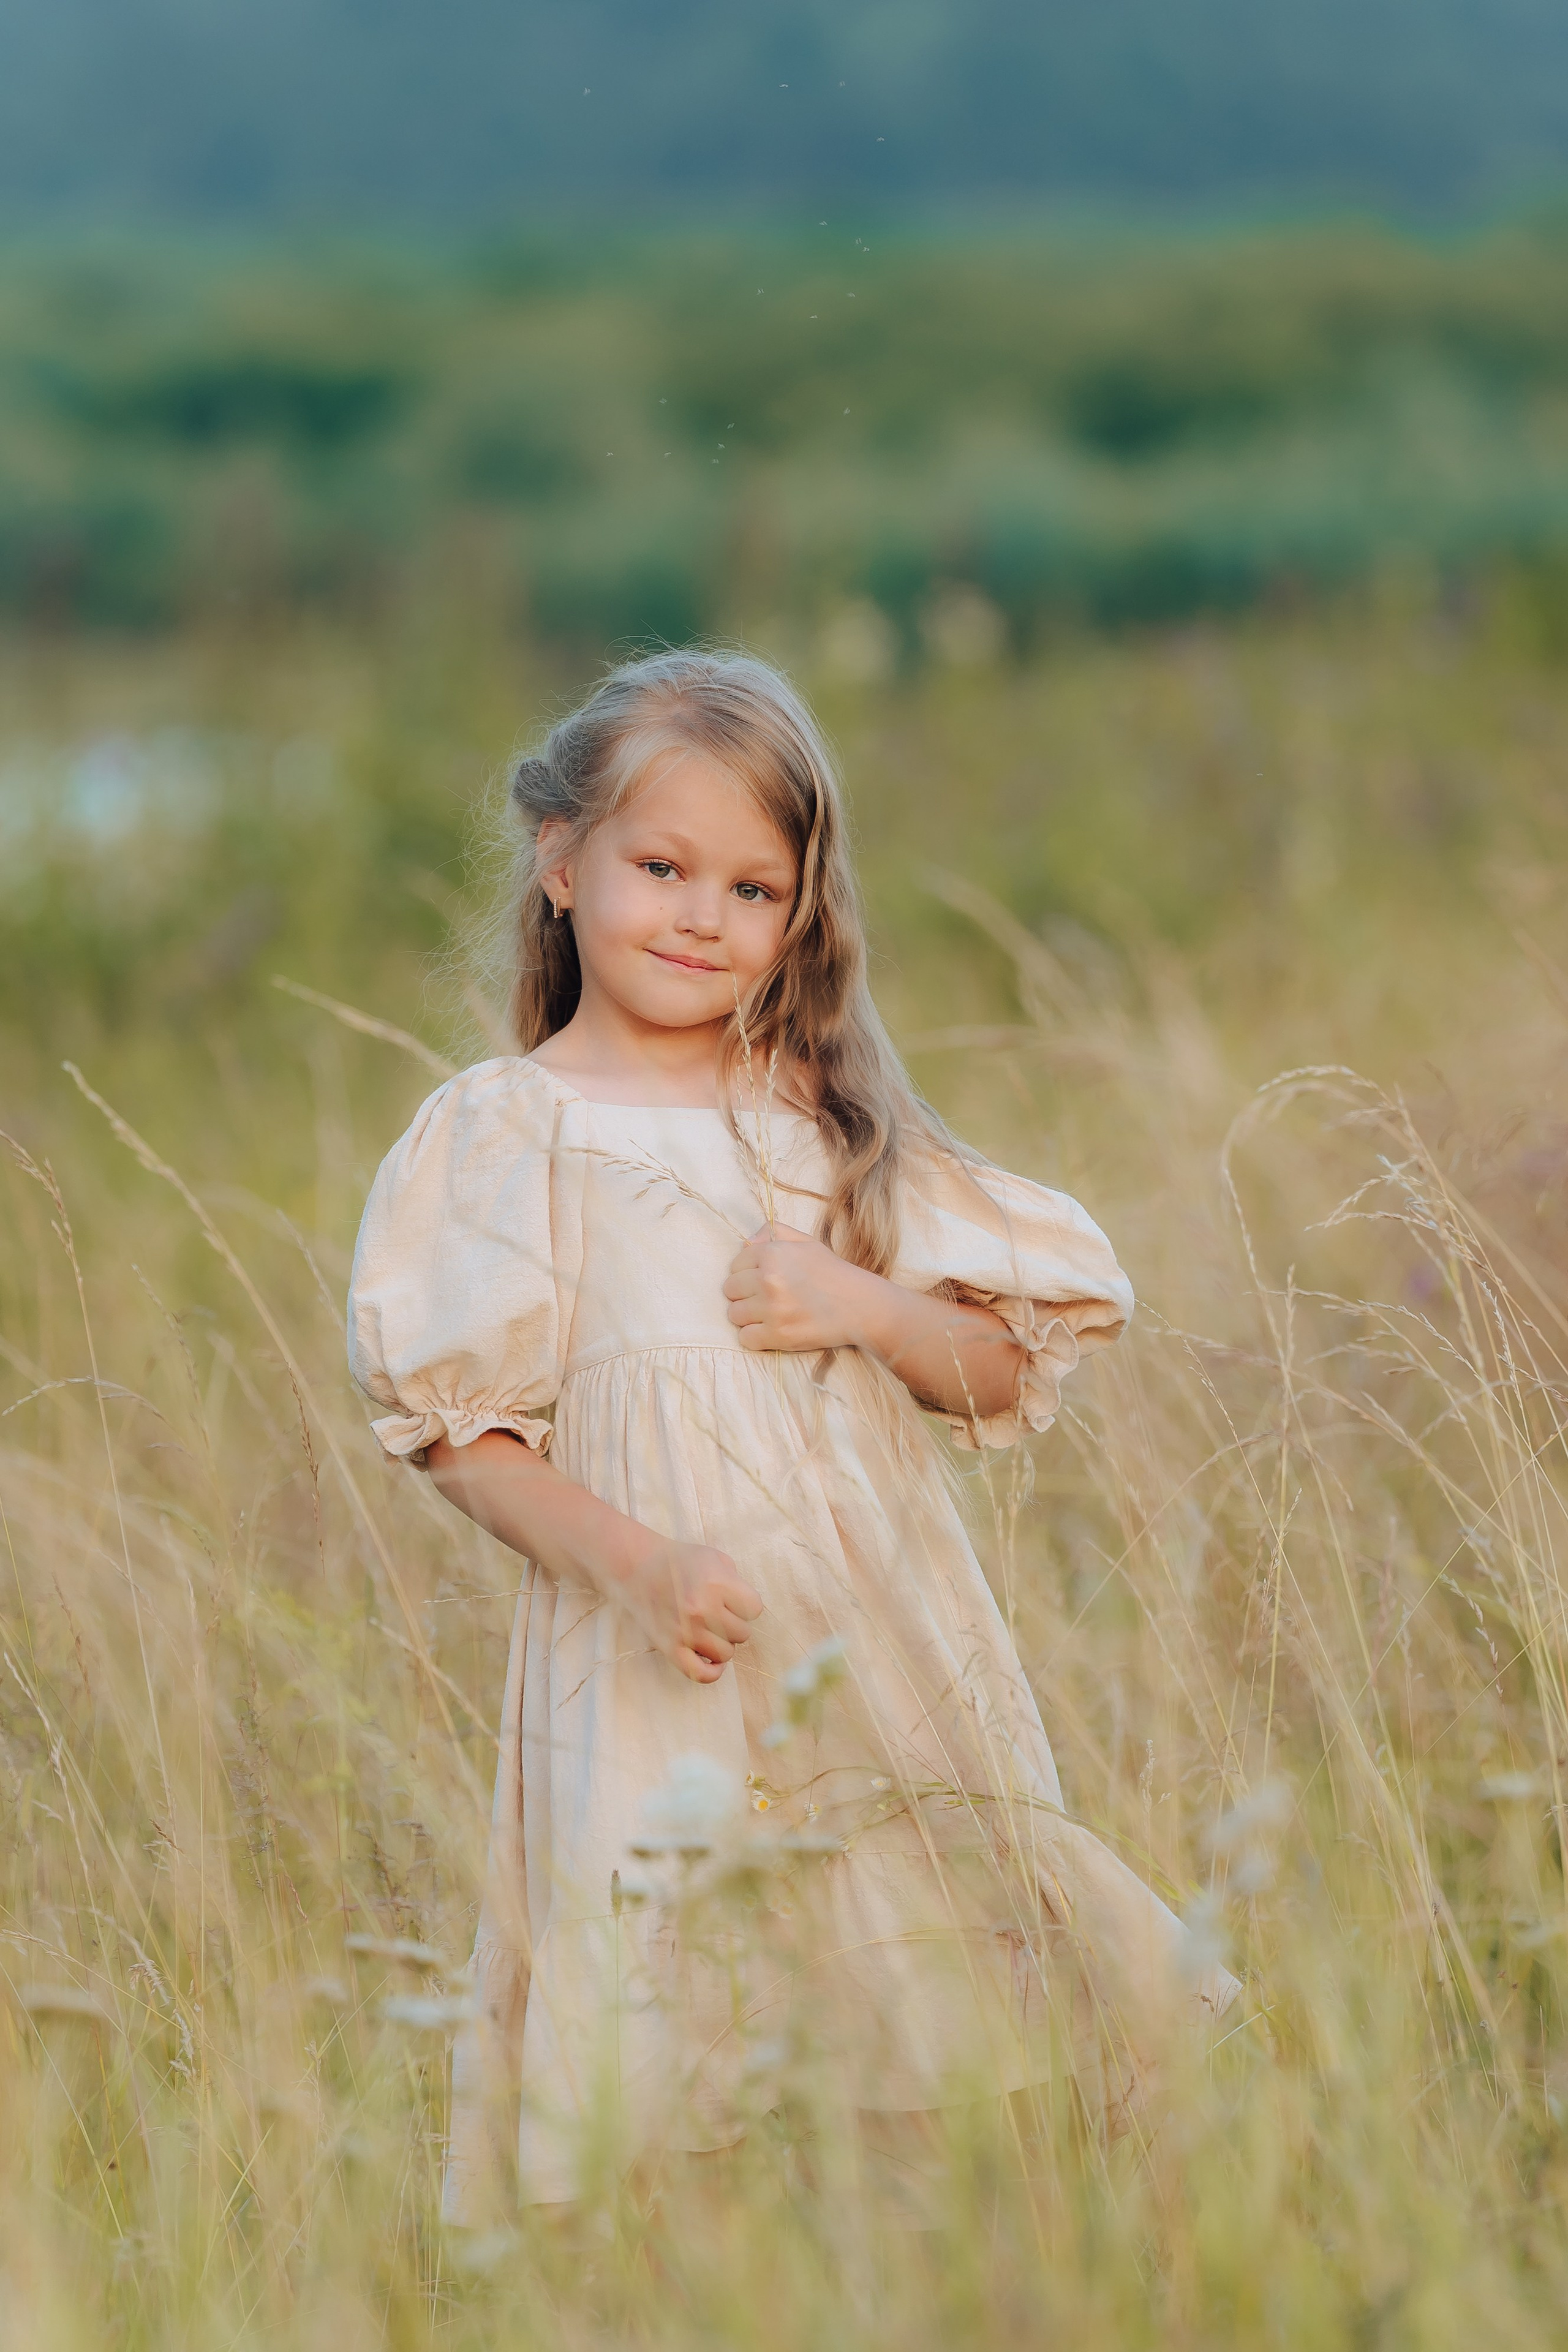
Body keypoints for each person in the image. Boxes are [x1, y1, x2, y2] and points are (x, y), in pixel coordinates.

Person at [347, 649, 1238, 2217]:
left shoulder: (822, 1121)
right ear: (560, 861)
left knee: (930, 1991)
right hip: (654, 1654)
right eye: (661, 868)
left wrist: (865, 1305)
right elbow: (458, 1434)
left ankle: (937, 2265)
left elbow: (998, 1368)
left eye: (752, 889)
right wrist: (633, 1564)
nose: (702, 916)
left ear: (800, 914)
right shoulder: (507, 1130)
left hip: (875, 1650)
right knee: (670, 2021)